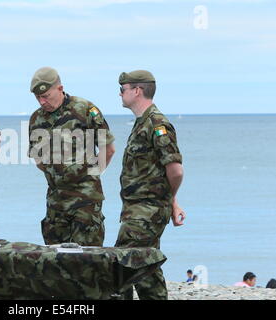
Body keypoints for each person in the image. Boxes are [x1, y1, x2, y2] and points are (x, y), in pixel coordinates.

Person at [115, 70, 185, 300]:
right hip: (138, 210)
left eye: (123, 89)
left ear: (137, 91)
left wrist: (167, 200)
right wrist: (173, 202)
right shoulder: (142, 123)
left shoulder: (157, 124)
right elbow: (159, 173)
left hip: (146, 212)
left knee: (121, 265)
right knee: (146, 268)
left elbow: (175, 170)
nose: (120, 93)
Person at [28, 67, 116, 247]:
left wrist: (90, 175)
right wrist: (55, 175)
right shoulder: (36, 118)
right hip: (55, 202)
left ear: (60, 89)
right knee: (55, 260)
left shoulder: (85, 110)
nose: (42, 101)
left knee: (87, 259)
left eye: (46, 96)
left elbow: (108, 149)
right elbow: (37, 157)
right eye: (38, 97)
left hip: (85, 199)